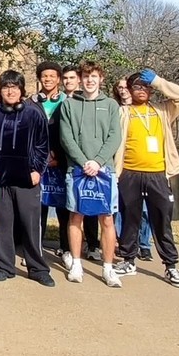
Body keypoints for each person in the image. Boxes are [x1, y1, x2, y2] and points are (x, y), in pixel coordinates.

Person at [114, 70, 179, 288]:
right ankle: (128, 260)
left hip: (157, 174)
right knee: (130, 218)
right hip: (129, 173)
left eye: (145, 87)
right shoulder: (123, 112)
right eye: (136, 87)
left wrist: (158, 81)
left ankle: (171, 265)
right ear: (129, 90)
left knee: (161, 220)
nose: (141, 91)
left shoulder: (163, 110)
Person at [0, 70, 54, 286]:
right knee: (0, 225)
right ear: (0, 90)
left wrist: (37, 169)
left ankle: (37, 268)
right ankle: (4, 266)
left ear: (21, 90)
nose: (10, 91)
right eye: (6, 87)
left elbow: (42, 145)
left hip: (27, 178)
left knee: (31, 225)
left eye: (15, 87)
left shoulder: (33, 113)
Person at [59, 61, 123, 287]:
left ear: (101, 79)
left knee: (107, 219)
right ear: (80, 79)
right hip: (76, 170)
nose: (89, 80)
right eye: (86, 76)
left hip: (104, 171)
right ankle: (76, 263)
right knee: (76, 216)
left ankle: (108, 267)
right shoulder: (69, 105)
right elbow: (66, 138)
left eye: (94, 76)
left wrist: (97, 162)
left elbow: (115, 136)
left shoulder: (112, 105)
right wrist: (84, 161)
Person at [29, 61, 70, 267]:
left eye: (52, 76)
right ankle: (36, 248)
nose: (48, 79)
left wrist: (58, 156)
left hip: (61, 162)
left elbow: (71, 134)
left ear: (58, 79)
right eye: (44, 76)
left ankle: (66, 248)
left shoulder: (67, 102)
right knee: (39, 207)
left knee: (64, 208)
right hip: (38, 162)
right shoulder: (31, 102)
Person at [112, 78, 153, 260]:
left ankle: (144, 244)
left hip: (149, 167)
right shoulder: (117, 110)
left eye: (125, 87)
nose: (122, 90)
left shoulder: (151, 110)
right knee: (122, 208)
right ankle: (125, 243)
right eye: (119, 88)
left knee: (145, 209)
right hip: (124, 167)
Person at [63, 62, 100, 259]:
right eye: (66, 78)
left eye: (72, 78)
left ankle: (93, 245)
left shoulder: (103, 103)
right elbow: (66, 136)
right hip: (67, 162)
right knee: (71, 209)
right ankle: (68, 248)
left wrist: (94, 161)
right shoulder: (65, 102)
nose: (69, 81)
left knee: (92, 207)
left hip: (93, 165)